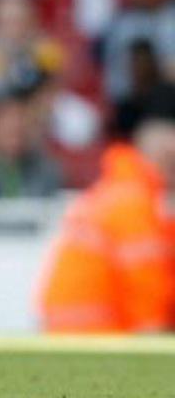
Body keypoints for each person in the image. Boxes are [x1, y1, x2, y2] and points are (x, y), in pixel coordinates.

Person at [37, 118, 175, 332]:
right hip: (97, 330)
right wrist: (154, 333)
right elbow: (145, 281)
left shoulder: (112, 191)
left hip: (67, 327)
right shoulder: (134, 202)